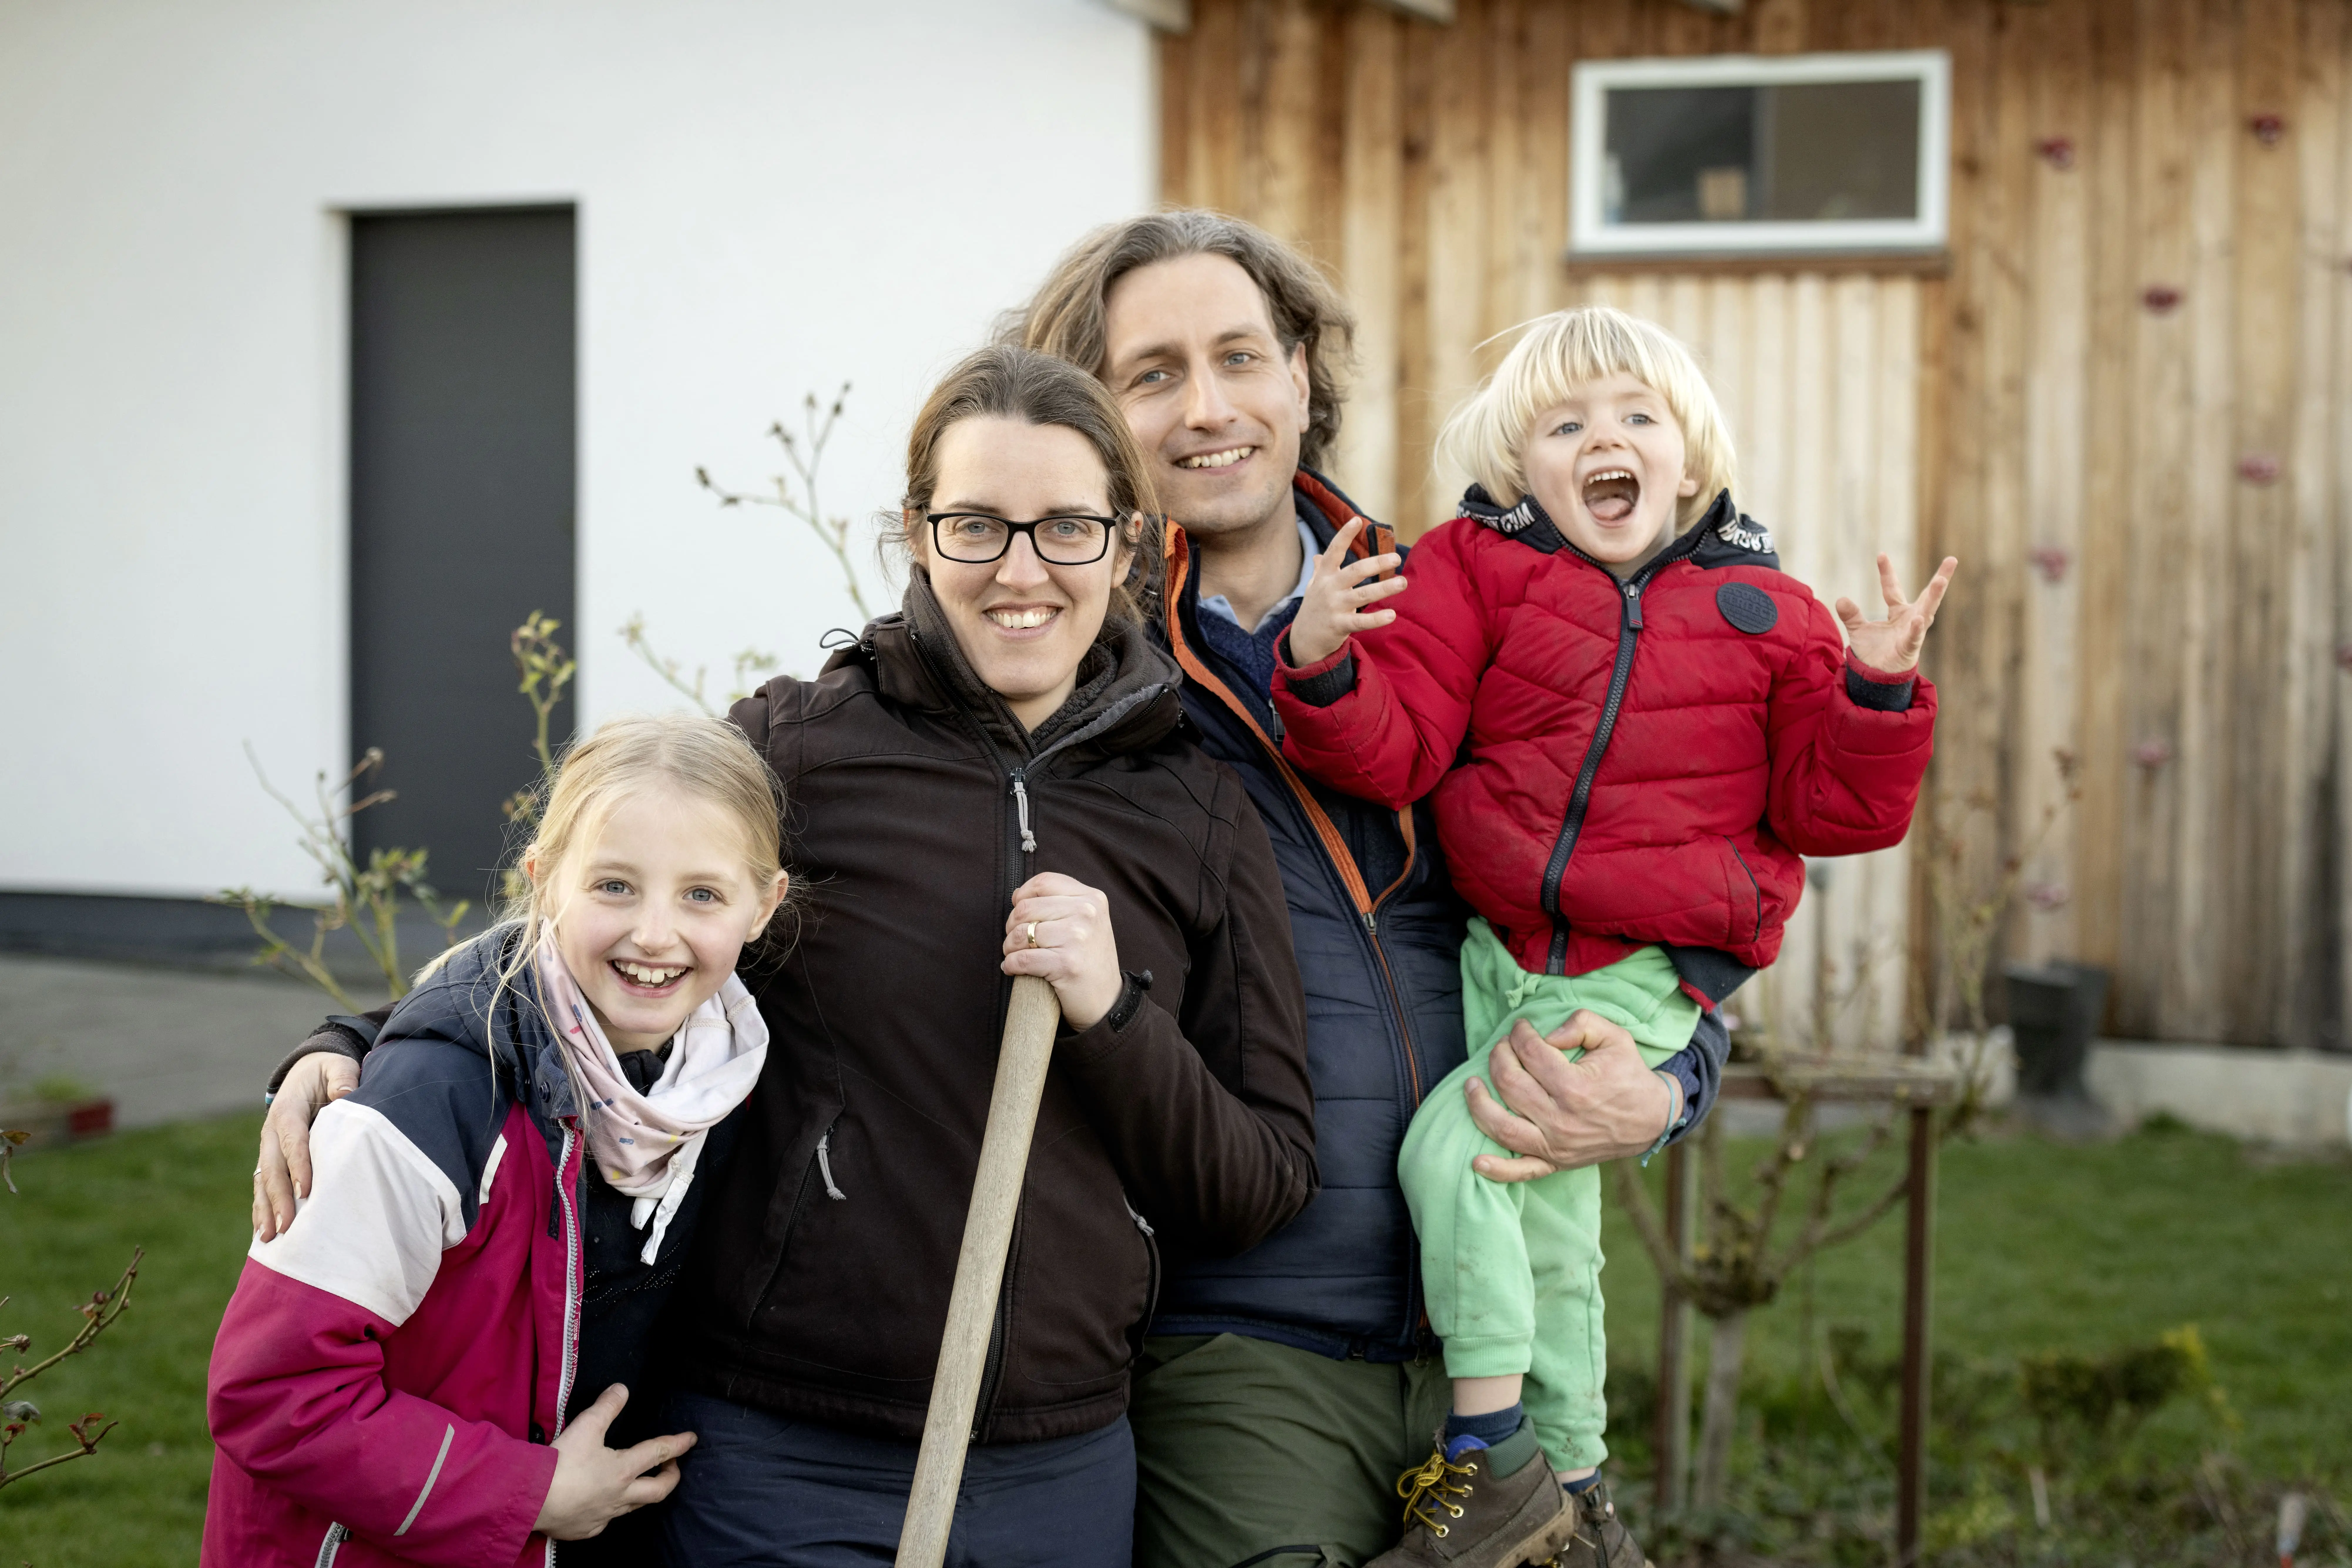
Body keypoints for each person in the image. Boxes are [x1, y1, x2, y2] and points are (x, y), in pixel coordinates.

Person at [254, 344, 1318, 1567]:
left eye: (1067, 527)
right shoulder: (803, 752)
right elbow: (606, 933)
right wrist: (358, 1041)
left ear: (1127, 544)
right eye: (977, 525)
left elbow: (1259, 1182)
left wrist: (1111, 1013)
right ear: (917, 536)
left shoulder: (1193, 806)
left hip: (1058, 1464)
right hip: (779, 1452)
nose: (1022, 570)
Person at [1002, 213, 1732, 1568]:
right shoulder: (1073, 685)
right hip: (1246, 1342)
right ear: (1090, 418)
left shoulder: (1479, 611)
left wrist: (1670, 1085)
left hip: (1498, 1337)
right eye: (1152, 374)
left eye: (1240, 356)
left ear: (1302, 379)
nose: (1209, 406)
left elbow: (1636, 888)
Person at [1269, 304, 1957, 1568]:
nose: (1607, 439)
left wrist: (1873, 691)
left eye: (1639, 417)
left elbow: (1834, 808)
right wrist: (1318, 665)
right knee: (1550, 1226)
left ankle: (1490, 1455)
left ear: (1689, 462)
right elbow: (1402, 741)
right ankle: (1576, 1480)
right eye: (1566, 423)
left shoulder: (1771, 611)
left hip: (1645, 973)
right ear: (1520, 469)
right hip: (1503, 951)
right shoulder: (1476, 573)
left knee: (1465, 1155)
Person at [205, 711, 791, 1566]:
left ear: (764, 906)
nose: (656, 935)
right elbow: (274, 1392)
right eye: (613, 887)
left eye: (702, 894)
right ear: (545, 881)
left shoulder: (721, 1076)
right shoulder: (428, 1104)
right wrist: (533, 1493)